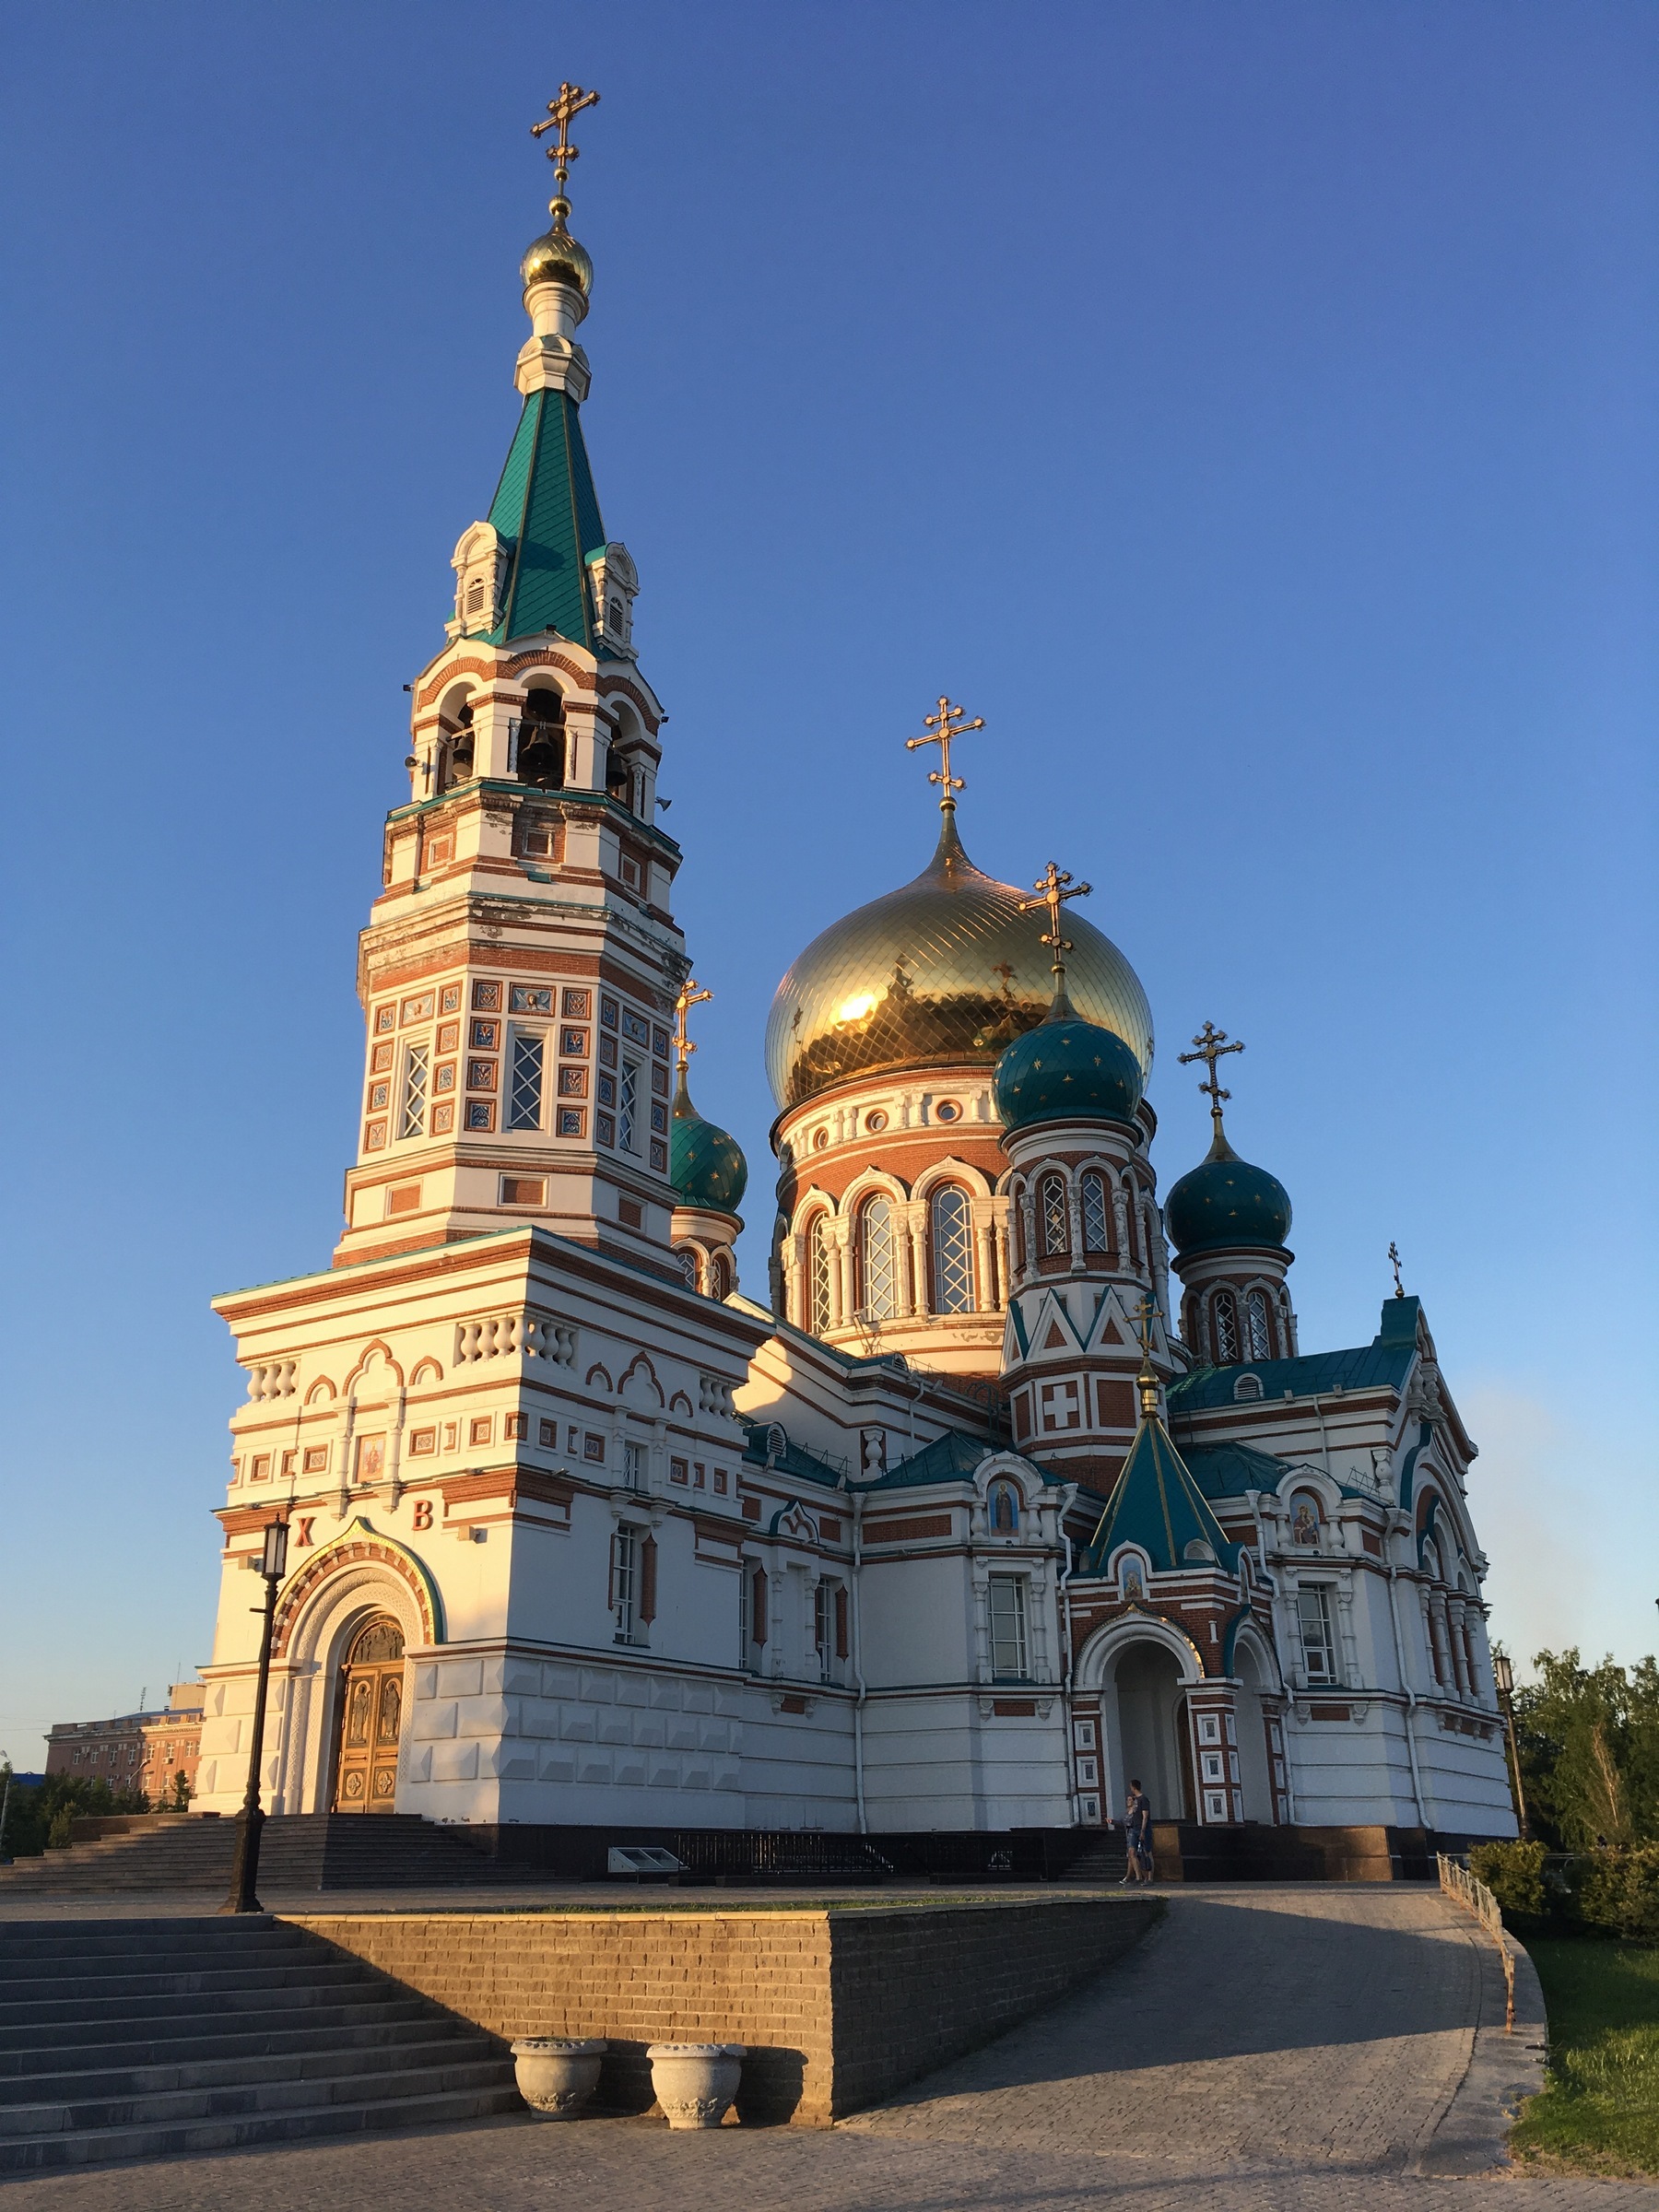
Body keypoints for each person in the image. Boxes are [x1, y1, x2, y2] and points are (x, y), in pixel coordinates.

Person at [1121, 1778, 1154, 1884]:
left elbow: (1145, 1816)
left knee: (1147, 1852)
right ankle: (1138, 1877)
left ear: (1134, 1787)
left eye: (1131, 1787)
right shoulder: (1135, 1800)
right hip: (1134, 1828)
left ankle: (1150, 1878)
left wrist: (1143, 1831)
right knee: (1132, 1852)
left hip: (1142, 1829)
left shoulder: (1143, 1799)